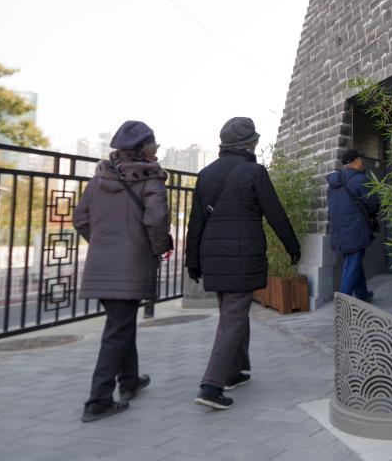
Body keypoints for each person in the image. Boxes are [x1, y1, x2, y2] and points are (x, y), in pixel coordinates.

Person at [185, 117, 300, 410]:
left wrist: (193, 260)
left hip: (213, 254)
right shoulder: (254, 171)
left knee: (232, 312)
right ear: (248, 143)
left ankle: (235, 371)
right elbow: (274, 212)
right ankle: (211, 386)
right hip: (243, 254)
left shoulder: (206, 174)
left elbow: (195, 221)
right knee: (234, 315)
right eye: (255, 142)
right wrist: (292, 245)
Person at [73, 120, 172, 422]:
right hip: (131, 263)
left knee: (122, 323)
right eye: (154, 147)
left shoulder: (98, 179)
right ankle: (98, 400)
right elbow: (156, 221)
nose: (156, 152)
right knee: (117, 330)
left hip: (102, 264)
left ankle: (129, 382)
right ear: (144, 149)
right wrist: (157, 248)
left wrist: (103, 245)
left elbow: (80, 219)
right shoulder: (150, 180)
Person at [326, 149, 380, 302]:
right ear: (356, 161)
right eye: (361, 160)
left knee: (354, 261)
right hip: (355, 230)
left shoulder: (334, 184)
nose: (362, 162)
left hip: (338, 232)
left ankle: (362, 294)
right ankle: (342, 304)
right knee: (352, 265)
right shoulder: (361, 179)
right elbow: (374, 204)